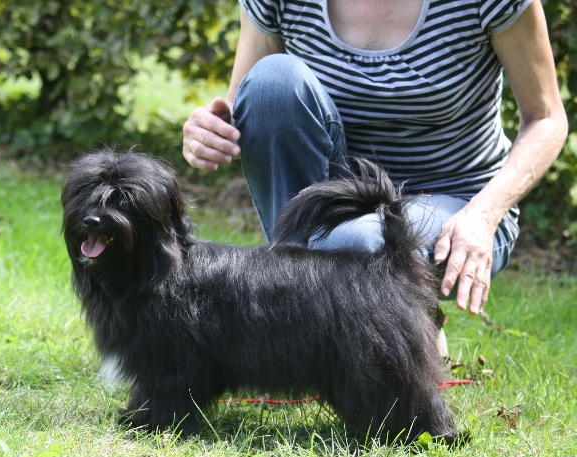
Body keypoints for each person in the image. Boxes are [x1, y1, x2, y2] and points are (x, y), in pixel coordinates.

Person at [182, 0, 567, 321]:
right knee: (272, 83)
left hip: (459, 205)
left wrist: (484, 216)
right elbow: (245, 100)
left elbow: (546, 119)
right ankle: (313, 316)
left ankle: (395, 316)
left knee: (359, 243)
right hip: (334, 198)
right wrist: (210, 131)